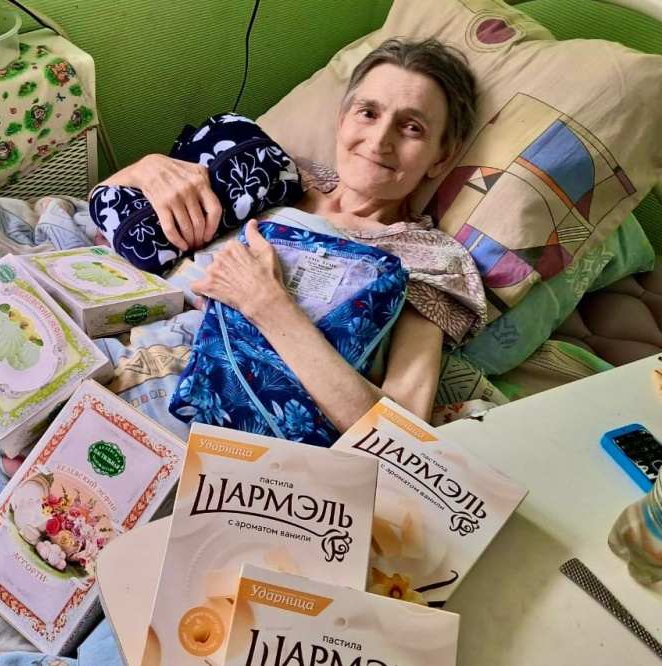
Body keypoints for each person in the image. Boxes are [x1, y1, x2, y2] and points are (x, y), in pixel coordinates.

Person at [92, 38, 486, 432]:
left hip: (193, 412)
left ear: (442, 157)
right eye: (368, 113)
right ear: (341, 119)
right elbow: (106, 219)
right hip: (106, 332)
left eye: (412, 127)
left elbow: (400, 431)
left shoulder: (427, 257)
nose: (380, 140)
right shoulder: (273, 175)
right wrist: (147, 169)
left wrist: (266, 304)